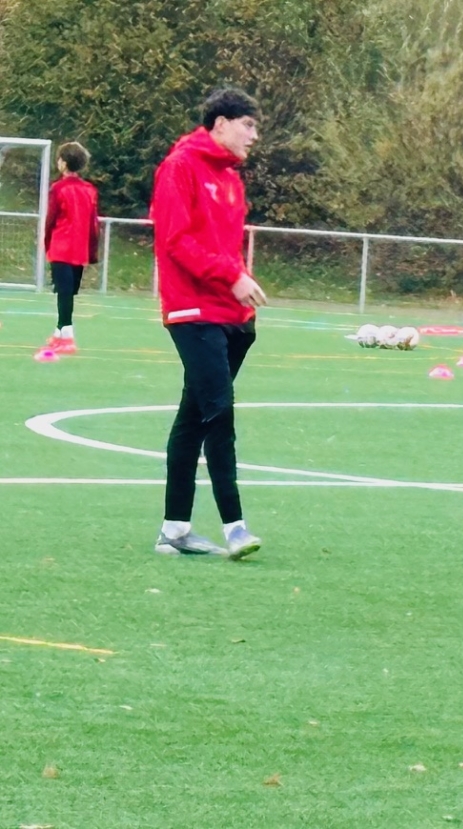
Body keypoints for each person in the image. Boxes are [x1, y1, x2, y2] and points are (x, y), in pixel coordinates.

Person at [151, 88, 268, 559]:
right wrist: (231, 277)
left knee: (194, 419)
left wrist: (241, 288)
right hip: (191, 310)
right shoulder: (179, 167)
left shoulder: (231, 179)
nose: (254, 136)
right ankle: (235, 527)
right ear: (220, 123)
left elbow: (226, 246)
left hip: (230, 315)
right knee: (220, 412)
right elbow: (176, 241)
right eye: (248, 125)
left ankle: (174, 530)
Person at [42, 141, 101, 355]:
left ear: (64, 163)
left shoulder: (58, 188)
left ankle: (67, 335)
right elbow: (94, 224)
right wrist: (92, 251)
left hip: (61, 247)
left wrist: (47, 242)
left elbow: (51, 219)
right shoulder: (90, 190)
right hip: (80, 249)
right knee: (68, 292)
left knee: (63, 292)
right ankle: (59, 332)